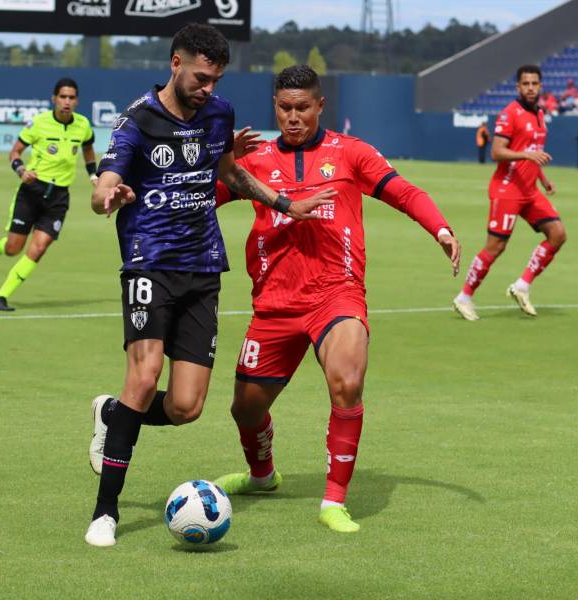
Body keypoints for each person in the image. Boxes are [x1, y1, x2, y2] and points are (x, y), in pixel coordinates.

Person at [84, 24, 326, 547]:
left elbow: (230, 173)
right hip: (149, 264)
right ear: (176, 63)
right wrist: (109, 197)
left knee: (186, 407)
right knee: (144, 377)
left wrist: (284, 204)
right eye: (200, 77)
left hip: (203, 270)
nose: (207, 89)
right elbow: (103, 187)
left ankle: (112, 414)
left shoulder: (219, 113)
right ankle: (106, 512)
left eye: (215, 79)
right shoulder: (137, 120)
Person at [208, 65, 460, 533]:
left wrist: (440, 228)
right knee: (246, 409)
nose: (293, 117)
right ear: (275, 107)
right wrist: (221, 165)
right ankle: (262, 476)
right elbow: (199, 198)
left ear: (320, 105)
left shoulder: (351, 153)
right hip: (274, 304)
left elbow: (403, 191)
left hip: (336, 294)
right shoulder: (255, 159)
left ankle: (333, 501)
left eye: (303, 108)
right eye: (285, 108)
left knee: (347, 380)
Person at [454, 65, 567, 320]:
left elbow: (534, 154)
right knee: (496, 247)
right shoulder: (510, 114)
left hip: (530, 190)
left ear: (540, 86)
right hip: (507, 189)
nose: (530, 88)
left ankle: (522, 286)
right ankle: (464, 297)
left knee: (558, 234)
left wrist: (543, 179)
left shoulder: (540, 114)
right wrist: (527, 155)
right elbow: (496, 151)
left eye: (534, 83)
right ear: (518, 87)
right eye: (525, 84)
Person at [0, 78, 98, 312]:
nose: (67, 102)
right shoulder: (39, 123)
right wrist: (21, 171)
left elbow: (88, 149)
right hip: (32, 192)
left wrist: (93, 175)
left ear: (77, 100)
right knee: (13, 248)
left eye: (71, 97)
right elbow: (15, 152)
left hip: (59, 197)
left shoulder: (83, 125)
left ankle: (0, 297)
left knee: (39, 248)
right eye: (63, 97)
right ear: (54, 99)